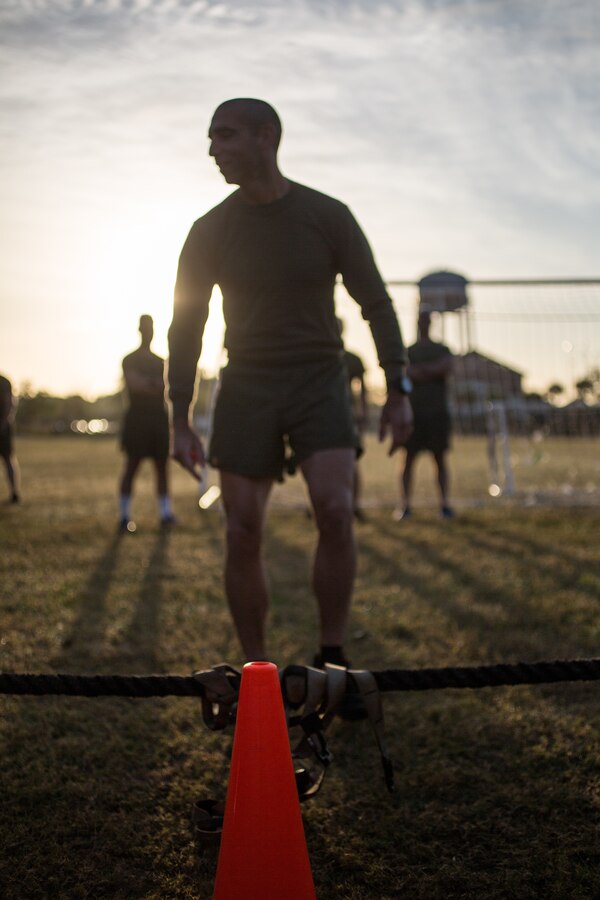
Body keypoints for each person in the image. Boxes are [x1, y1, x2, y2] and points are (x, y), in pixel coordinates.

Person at [168, 98, 413, 678]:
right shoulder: (209, 230)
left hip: (317, 377)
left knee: (334, 509)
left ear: (265, 137)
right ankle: (257, 672)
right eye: (210, 138)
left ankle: (332, 655)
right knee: (242, 527)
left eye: (224, 136)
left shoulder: (327, 215)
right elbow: (186, 325)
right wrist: (179, 417)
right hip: (248, 381)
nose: (212, 150)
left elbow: (376, 303)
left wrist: (398, 389)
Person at [395, 307, 454, 520]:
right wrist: (429, 371)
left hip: (437, 414)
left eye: (427, 320)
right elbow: (404, 371)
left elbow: (444, 367)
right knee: (408, 459)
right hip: (413, 415)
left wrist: (419, 372)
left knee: (440, 459)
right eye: (421, 320)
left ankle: (445, 505)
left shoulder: (442, 349)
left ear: (431, 323)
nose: (424, 324)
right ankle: (405, 505)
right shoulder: (408, 351)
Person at [119, 315, 175, 532]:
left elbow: (165, 386)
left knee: (162, 467)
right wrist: (154, 384)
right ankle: (124, 516)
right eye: (145, 328)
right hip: (137, 419)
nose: (148, 332)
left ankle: (165, 514)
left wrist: (151, 384)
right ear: (140, 330)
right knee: (131, 466)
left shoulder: (160, 361)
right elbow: (136, 385)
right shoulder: (130, 359)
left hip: (157, 419)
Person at [342, 338, 369, 521]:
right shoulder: (317, 356)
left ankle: (355, 504)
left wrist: (362, 412)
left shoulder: (352, 359)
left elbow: (363, 388)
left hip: (347, 415)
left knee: (352, 460)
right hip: (320, 414)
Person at [0, 373, 20, 503]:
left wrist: (3, 422)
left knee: (8, 459)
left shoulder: (3, 382)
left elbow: (10, 402)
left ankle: (14, 493)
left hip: (3, 427)